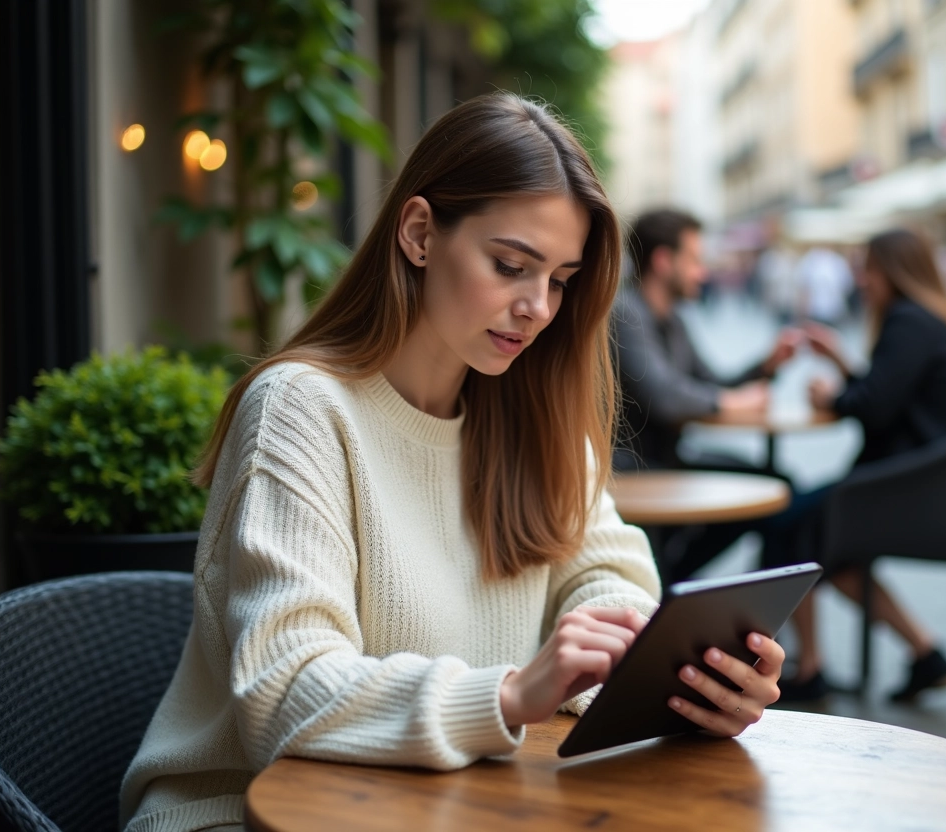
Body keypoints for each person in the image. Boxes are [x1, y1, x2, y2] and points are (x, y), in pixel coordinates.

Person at [120, 95, 787, 832]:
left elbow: (608, 574)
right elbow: (285, 689)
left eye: (561, 279)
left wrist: (673, 676)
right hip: (243, 814)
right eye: (510, 265)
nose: (538, 306)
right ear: (418, 234)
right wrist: (508, 695)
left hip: (454, 808)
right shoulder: (303, 411)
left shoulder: (533, 412)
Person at [785, 229, 946, 703]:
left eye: (869, 268)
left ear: (893, 272)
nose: (862, 280)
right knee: (823, 540)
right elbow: (887, 398)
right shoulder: (930, 320)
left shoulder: (909, 322)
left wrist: (833, 394)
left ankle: (809, 667)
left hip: (914, 495)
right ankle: (926, 653)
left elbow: (873, 407)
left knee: (792, 525)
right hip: (938, 492)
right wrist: (842, 364)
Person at [611, 208, 805, 580]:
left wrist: (767, 365)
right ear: (664, 261)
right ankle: (673, 584)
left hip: (668, 459)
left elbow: (711, 381)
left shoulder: (675, 319)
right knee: (770, 487)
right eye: (696, 260)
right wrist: (728, 402)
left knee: (775, 485)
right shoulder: (624, 313)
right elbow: (665, 398)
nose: (704, 272)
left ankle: (678, 580)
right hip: (632, 468)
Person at [795, 245, 854, 325]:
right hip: (815, 312)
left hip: (833, 312)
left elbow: (847, 286)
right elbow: (803, 289)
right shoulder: (810, 260)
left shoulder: (838, 261)